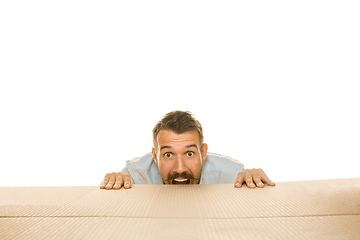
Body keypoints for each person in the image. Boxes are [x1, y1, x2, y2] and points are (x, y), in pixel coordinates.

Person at [100, 111, 275, 189]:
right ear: (154, 156)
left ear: (203, 153)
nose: (180, 169)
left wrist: (253, 178)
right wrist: (116, 180)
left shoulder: (230, 174)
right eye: (168, 154)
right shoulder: (135, 175)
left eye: (189, 153)